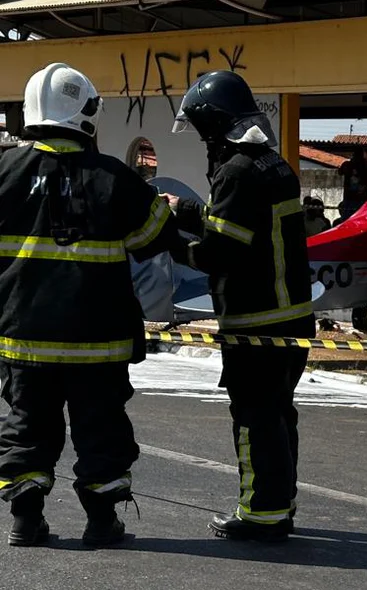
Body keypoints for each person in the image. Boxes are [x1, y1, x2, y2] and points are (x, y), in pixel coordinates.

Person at [0, 63, 177, 547]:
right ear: (84, 112)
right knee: (101, 432)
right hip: (98, 343)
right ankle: (102, 521)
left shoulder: (4, 172)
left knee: (26, 427)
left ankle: (25, 519)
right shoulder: (114, 178)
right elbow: (155, 236)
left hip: (23, 338)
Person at [168, 70, 315, 541]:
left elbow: (220, 254)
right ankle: (279, 503)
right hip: (291, 318)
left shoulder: (234, 172)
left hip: (256, 323)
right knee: (278, 415)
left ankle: (261, 513)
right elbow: (241, 226)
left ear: (214, 124)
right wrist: (188, 210)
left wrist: (169, 242)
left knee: (254, 419)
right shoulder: (272, 165)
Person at [336, 147, 367, 225]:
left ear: (353, 155)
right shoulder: (365, 165)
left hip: (349, 199)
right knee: (361, 222)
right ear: (362, 155)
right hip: (361, 200)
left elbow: (340, 172)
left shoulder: (347, 164)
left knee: (347, 222)